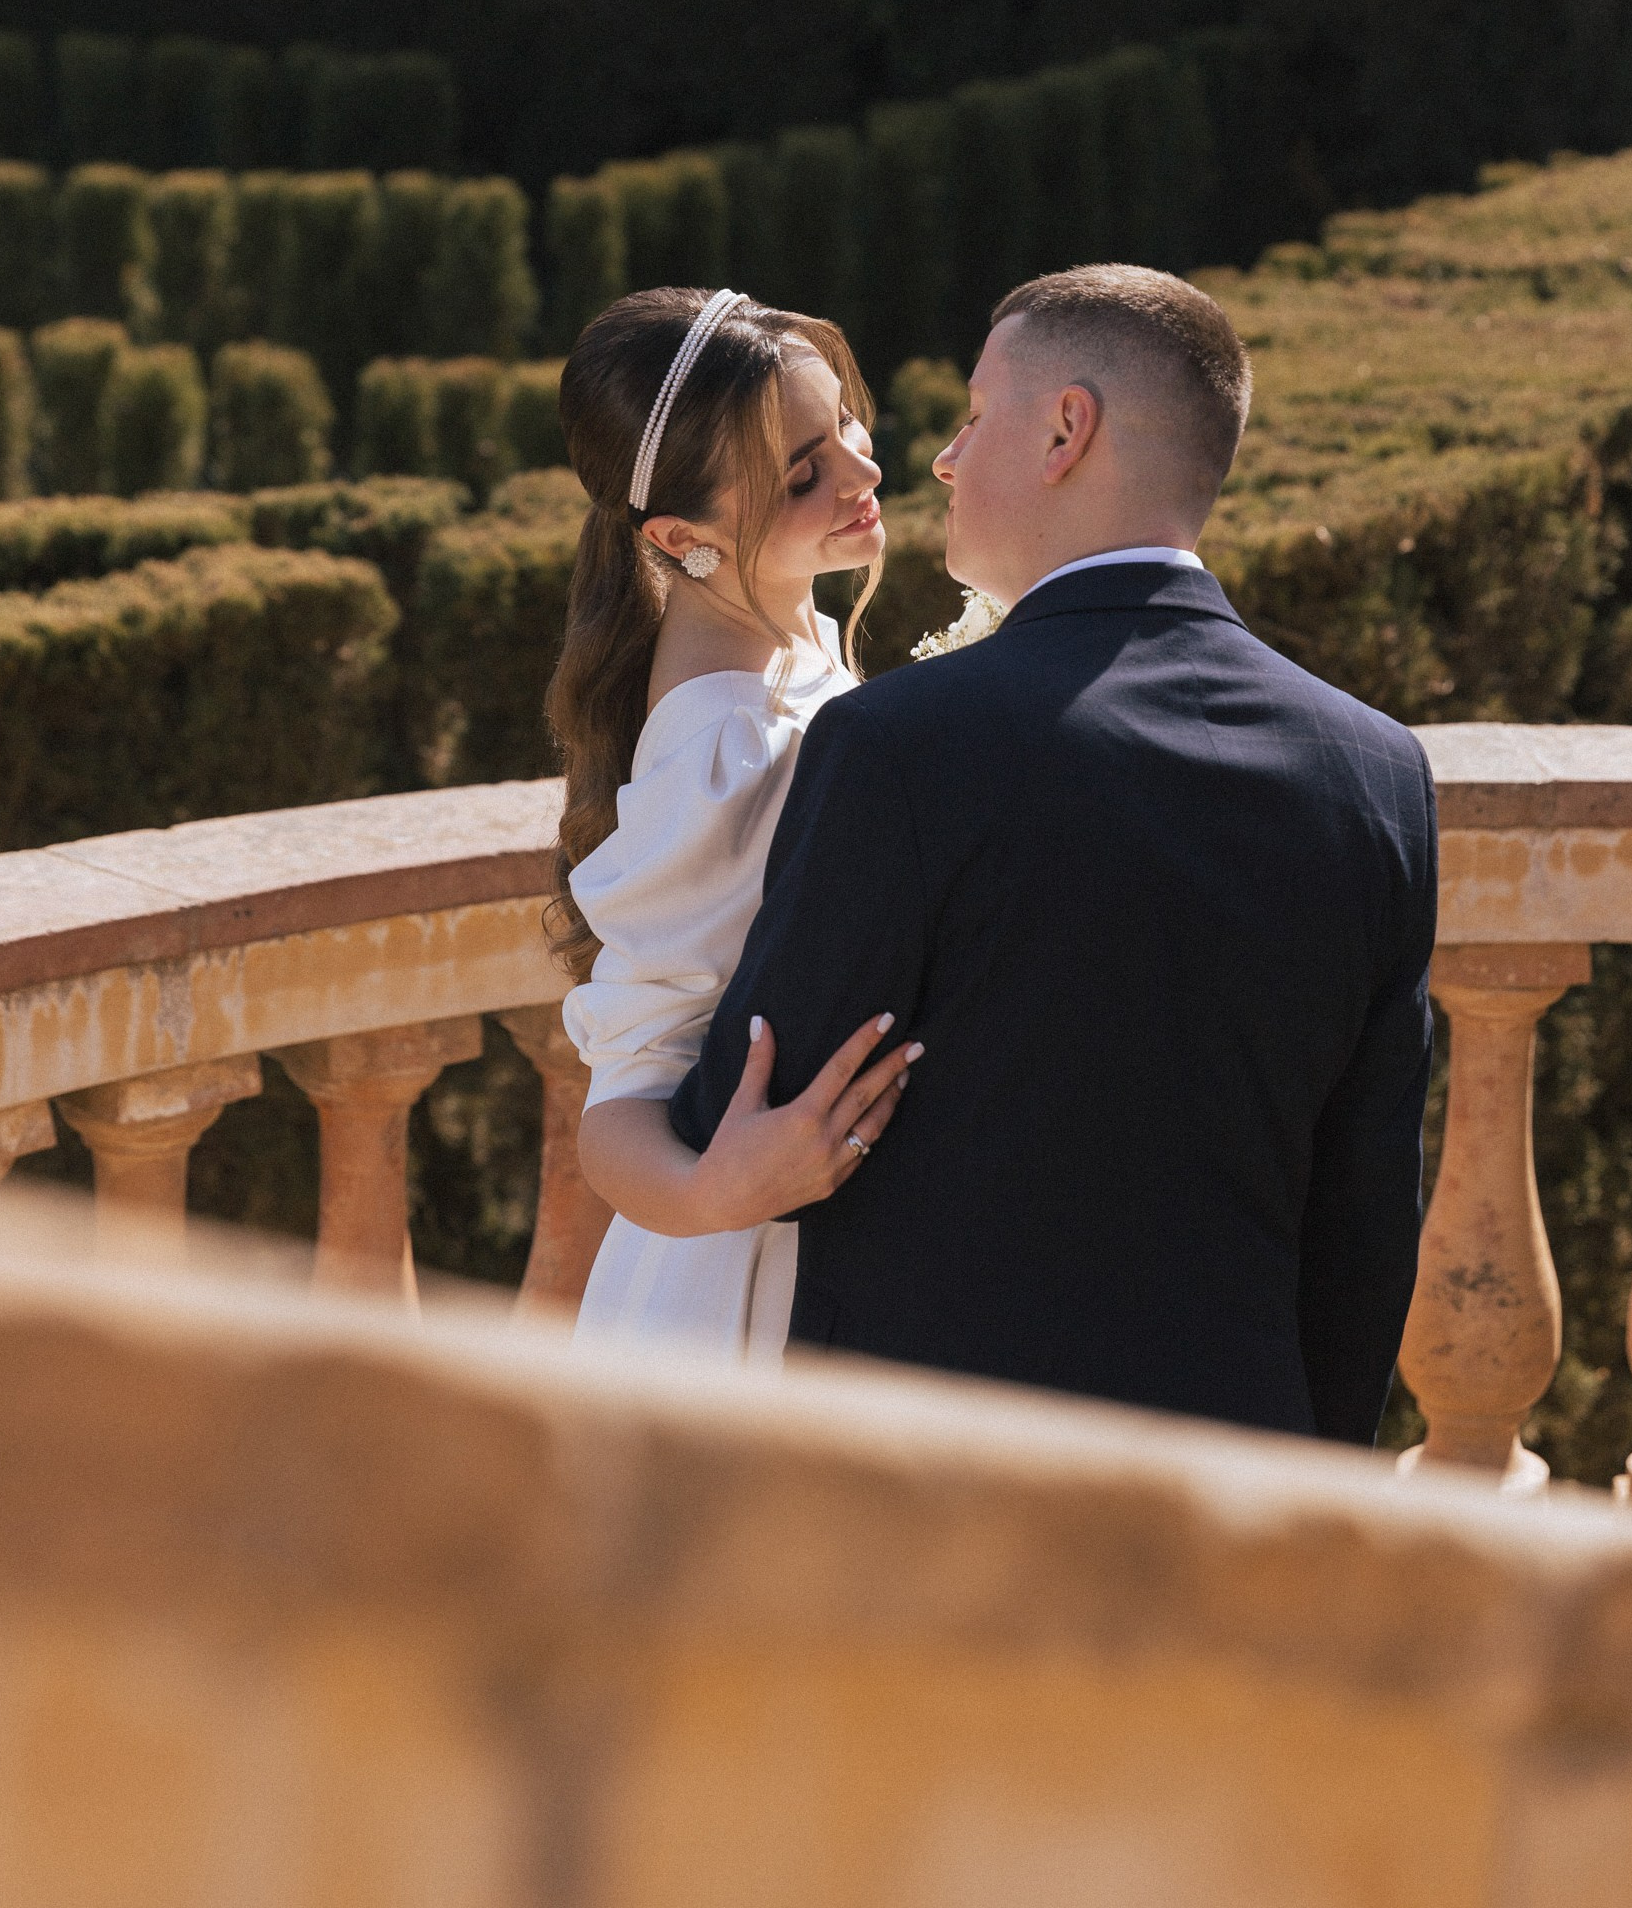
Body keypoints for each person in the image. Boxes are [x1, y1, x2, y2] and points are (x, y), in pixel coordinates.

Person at [669, 262, 1437, 1442]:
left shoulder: (897, 748)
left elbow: (738, 1108)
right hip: (1233, 1481)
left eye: (976, 418)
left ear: (1064, 431)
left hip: (937, 1494)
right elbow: (1363, 1220)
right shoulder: (1377, 774)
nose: (942, 459)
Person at [550, 286, 922, 1360]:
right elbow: (620, 1106)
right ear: (681, 536)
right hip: (748, 1285)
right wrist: (721, 1188)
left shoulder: (782, 620)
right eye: (803, 474)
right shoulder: (721, 741)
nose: (862, 474)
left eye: (846, 424)